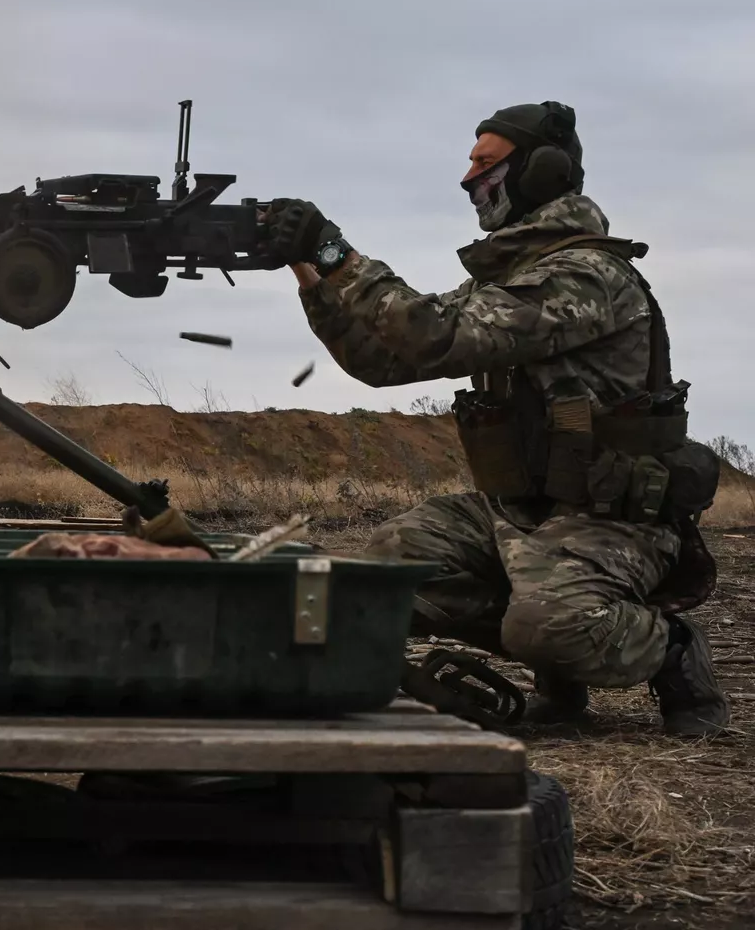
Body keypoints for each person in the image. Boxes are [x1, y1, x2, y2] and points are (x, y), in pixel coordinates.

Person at [260, 102, 728, 736]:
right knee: (386, 570)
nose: (468, 178)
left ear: (541, 172)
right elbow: (382, 361)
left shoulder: (586, 276)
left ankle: (666, 647)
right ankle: (552, 636)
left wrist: (338, 253)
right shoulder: (510, 279)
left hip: (607, 518)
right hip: (517, 510)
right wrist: (310, 272)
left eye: (484, 163)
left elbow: (435, 335)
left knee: (548, 625)